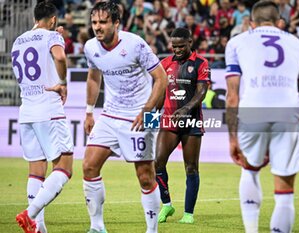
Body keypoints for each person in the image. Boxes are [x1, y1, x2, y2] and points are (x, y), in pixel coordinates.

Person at [82, 2, 167, 233]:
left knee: (145, 176)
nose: (97, 27)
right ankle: (97, 227)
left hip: (141, 114)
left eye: (103, 22)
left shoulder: (135, 44)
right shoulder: (91, 47)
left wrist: (148, 109)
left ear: (116, 23)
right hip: (110, 114)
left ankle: (152, 230)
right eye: (94, 22)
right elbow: (93, 76)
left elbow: (162, 79)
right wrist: (89, 110)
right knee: (89, 166)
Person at [225, 1, 299, 233]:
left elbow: (232, 96)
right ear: (280, 23)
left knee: (249, 169)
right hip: (287, 112)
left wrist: (232, 138)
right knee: (285, 193)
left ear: (251, 24)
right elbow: (296, 87)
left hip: (253, 111)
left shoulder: (237, 42)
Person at [11, 2, 74, 233]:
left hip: (26, 109)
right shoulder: (52, 37)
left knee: (36, 171)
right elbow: (59, 58)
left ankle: (39, 228)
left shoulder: (18, 41)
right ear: (53, 20)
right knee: (65, 167)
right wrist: (63, 84)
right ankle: (30, 214)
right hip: (48, 108)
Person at [155, 27, 211, 224]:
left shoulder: (201, 63)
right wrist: (151, 115)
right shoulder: (165, 63)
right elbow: (159, 93)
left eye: (180, 46)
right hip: (169, 120)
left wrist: (186, 108)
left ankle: (188, 213)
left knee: (191, 168)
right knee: (158, 162)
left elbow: (202, 92)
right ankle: (167, 205)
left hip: (191, 122)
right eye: (174, 46)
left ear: (190, 43)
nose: (177, 50)